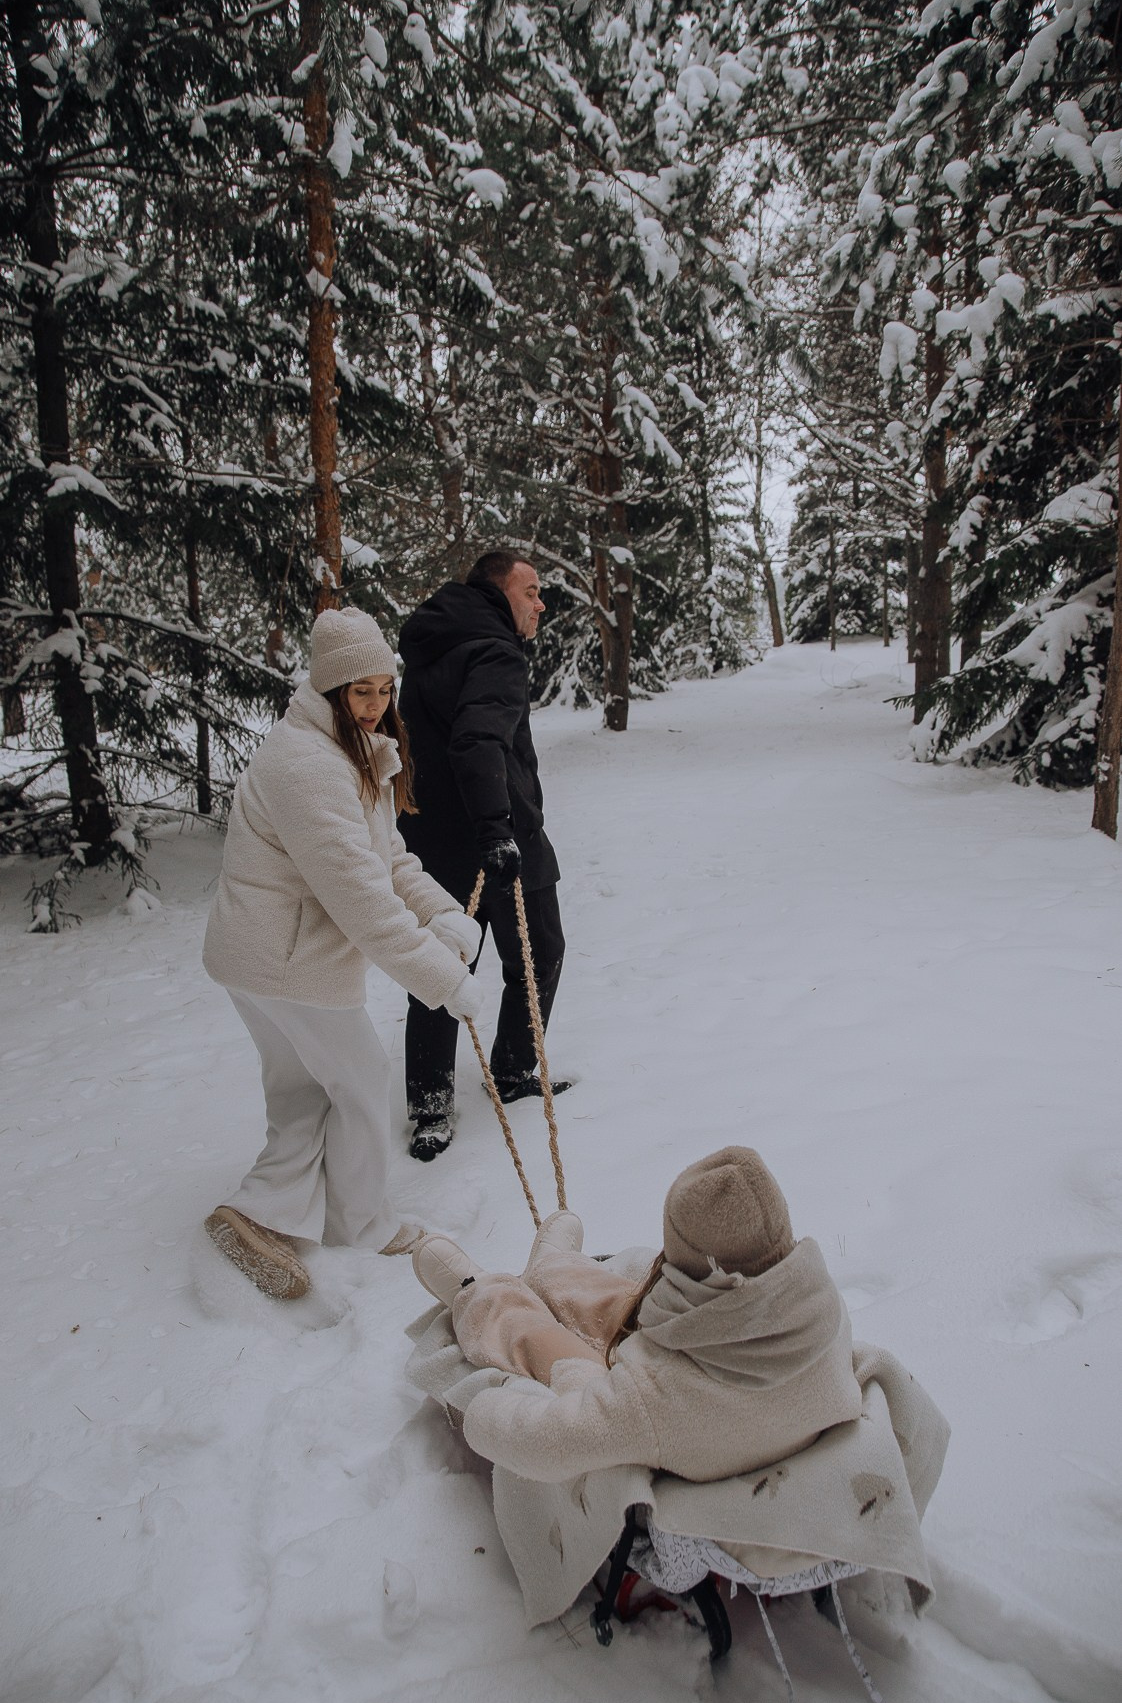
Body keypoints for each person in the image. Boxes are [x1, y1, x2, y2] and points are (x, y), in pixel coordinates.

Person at [200, 608, 485, 1301]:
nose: (377, 704)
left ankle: (256, 1213)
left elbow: (387, 857)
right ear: (330, 688)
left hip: (261, 955)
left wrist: (441, 911)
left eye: (385, 689)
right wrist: (442, 977)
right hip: (287, 959)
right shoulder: (308, 766)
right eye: (362, 691)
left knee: (304, 1088)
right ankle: (362, 1225)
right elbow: (360, 897)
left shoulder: (342, 750)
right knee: (359, 1080)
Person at [411, 1147, 865, 1483]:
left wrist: (486, 1411)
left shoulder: (654, 1402)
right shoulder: (822, 1312)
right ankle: (556, 1270)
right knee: (632, 1305)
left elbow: (544, 1442)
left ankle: (482, 1295)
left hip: (657, 1397)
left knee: (540, 1342)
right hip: (719, 1364)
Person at [397, 551, 568, 1161]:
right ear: (498, 592)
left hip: (432, 844)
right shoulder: (496, 652)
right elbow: (476, 741)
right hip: (502, 838)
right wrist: (497, 830)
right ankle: (514, 1072)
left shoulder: (433, 646)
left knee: (442, 966)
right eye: (531, 591)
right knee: (539, 952)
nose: (540, 604)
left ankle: (431, 1107)